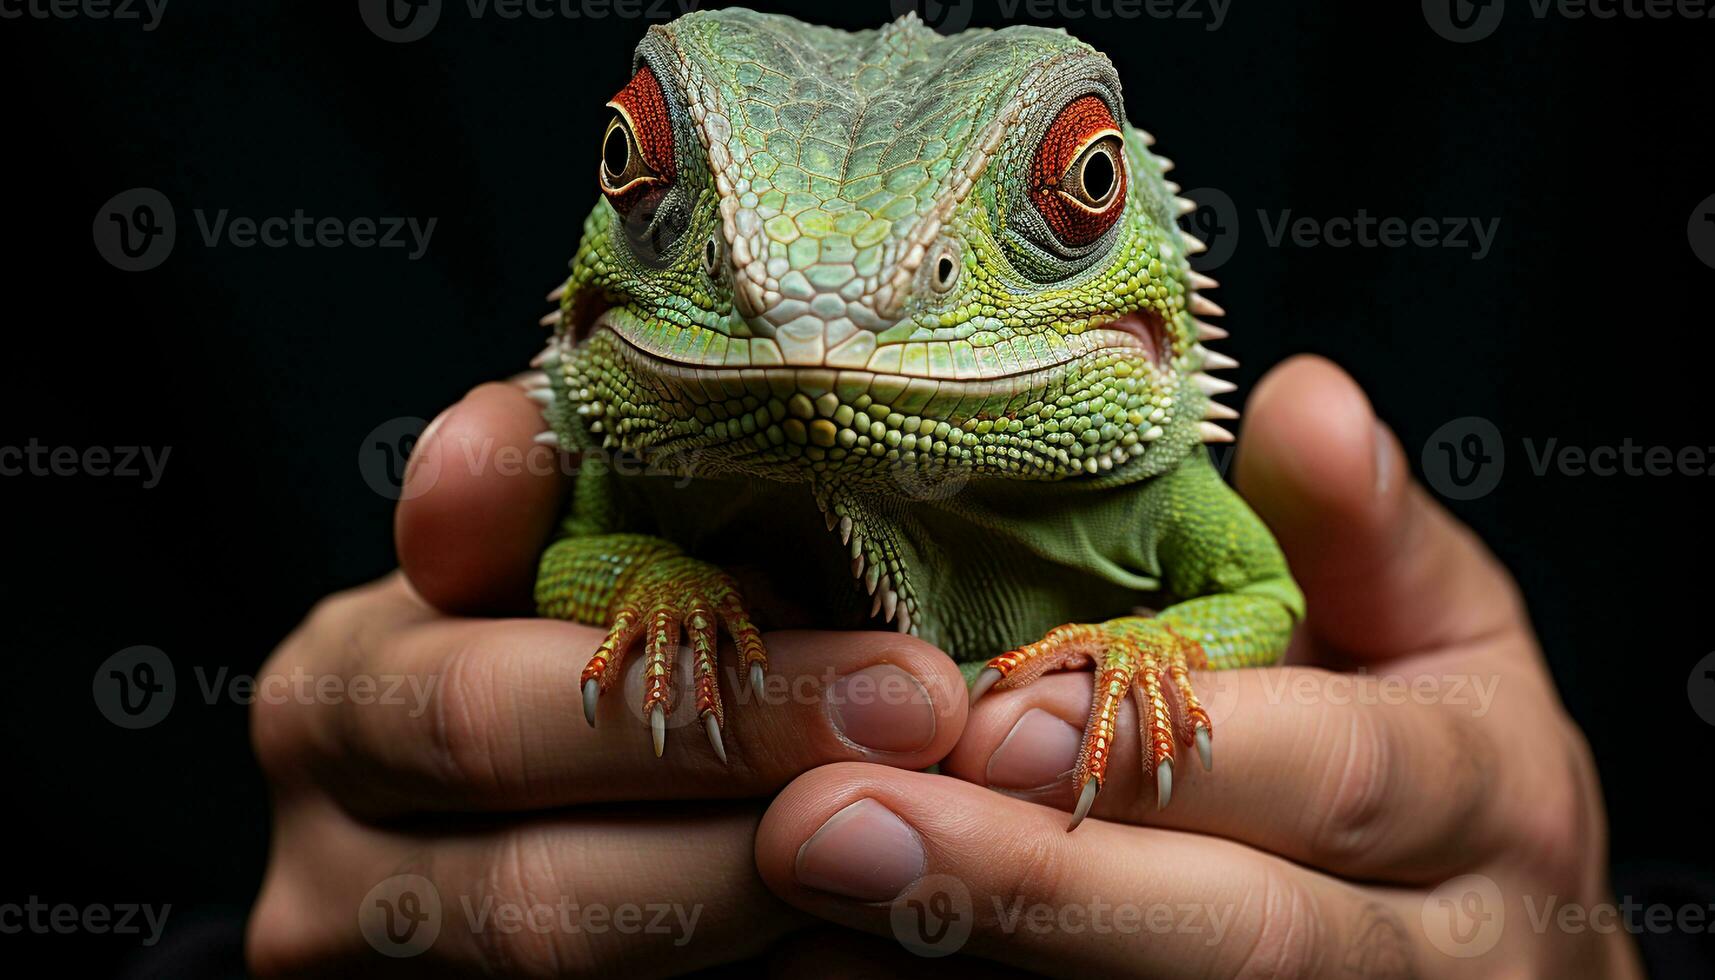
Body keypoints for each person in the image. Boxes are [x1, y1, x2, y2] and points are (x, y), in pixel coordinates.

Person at [245, 356, 1643, 977]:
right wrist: (659, 582)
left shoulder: (1162, 486)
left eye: (1070, 189)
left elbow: (1263, 592)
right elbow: (561, 569)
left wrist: (1153, 647)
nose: (820, 315)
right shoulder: (631, 469)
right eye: (645, 166)